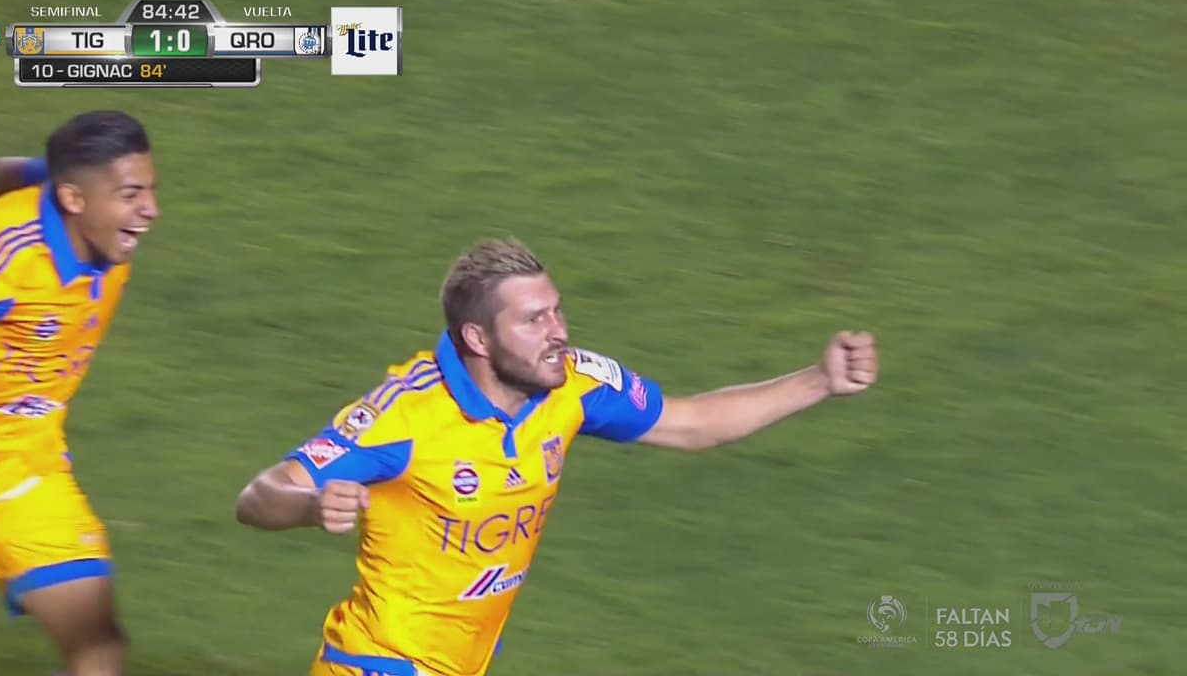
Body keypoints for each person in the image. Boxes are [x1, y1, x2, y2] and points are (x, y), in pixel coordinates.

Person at [235, 237, 879, 676]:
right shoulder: (405, 414)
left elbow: (689, 423)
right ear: (477, 338)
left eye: (557, 311)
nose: (559, 333)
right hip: (379, 664)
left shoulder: (572, 385)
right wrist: (312, 506)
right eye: (534, 320)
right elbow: (258, 497)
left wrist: (818, 381)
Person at [0, 110, 160, 675]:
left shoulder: (94, 218)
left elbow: (14, 171)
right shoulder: (1, 259)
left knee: (97, 646)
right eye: (131, 195)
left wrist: (8, 183)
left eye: (150, 190)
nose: (150, 211)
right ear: (74, 199)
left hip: (29, 468)